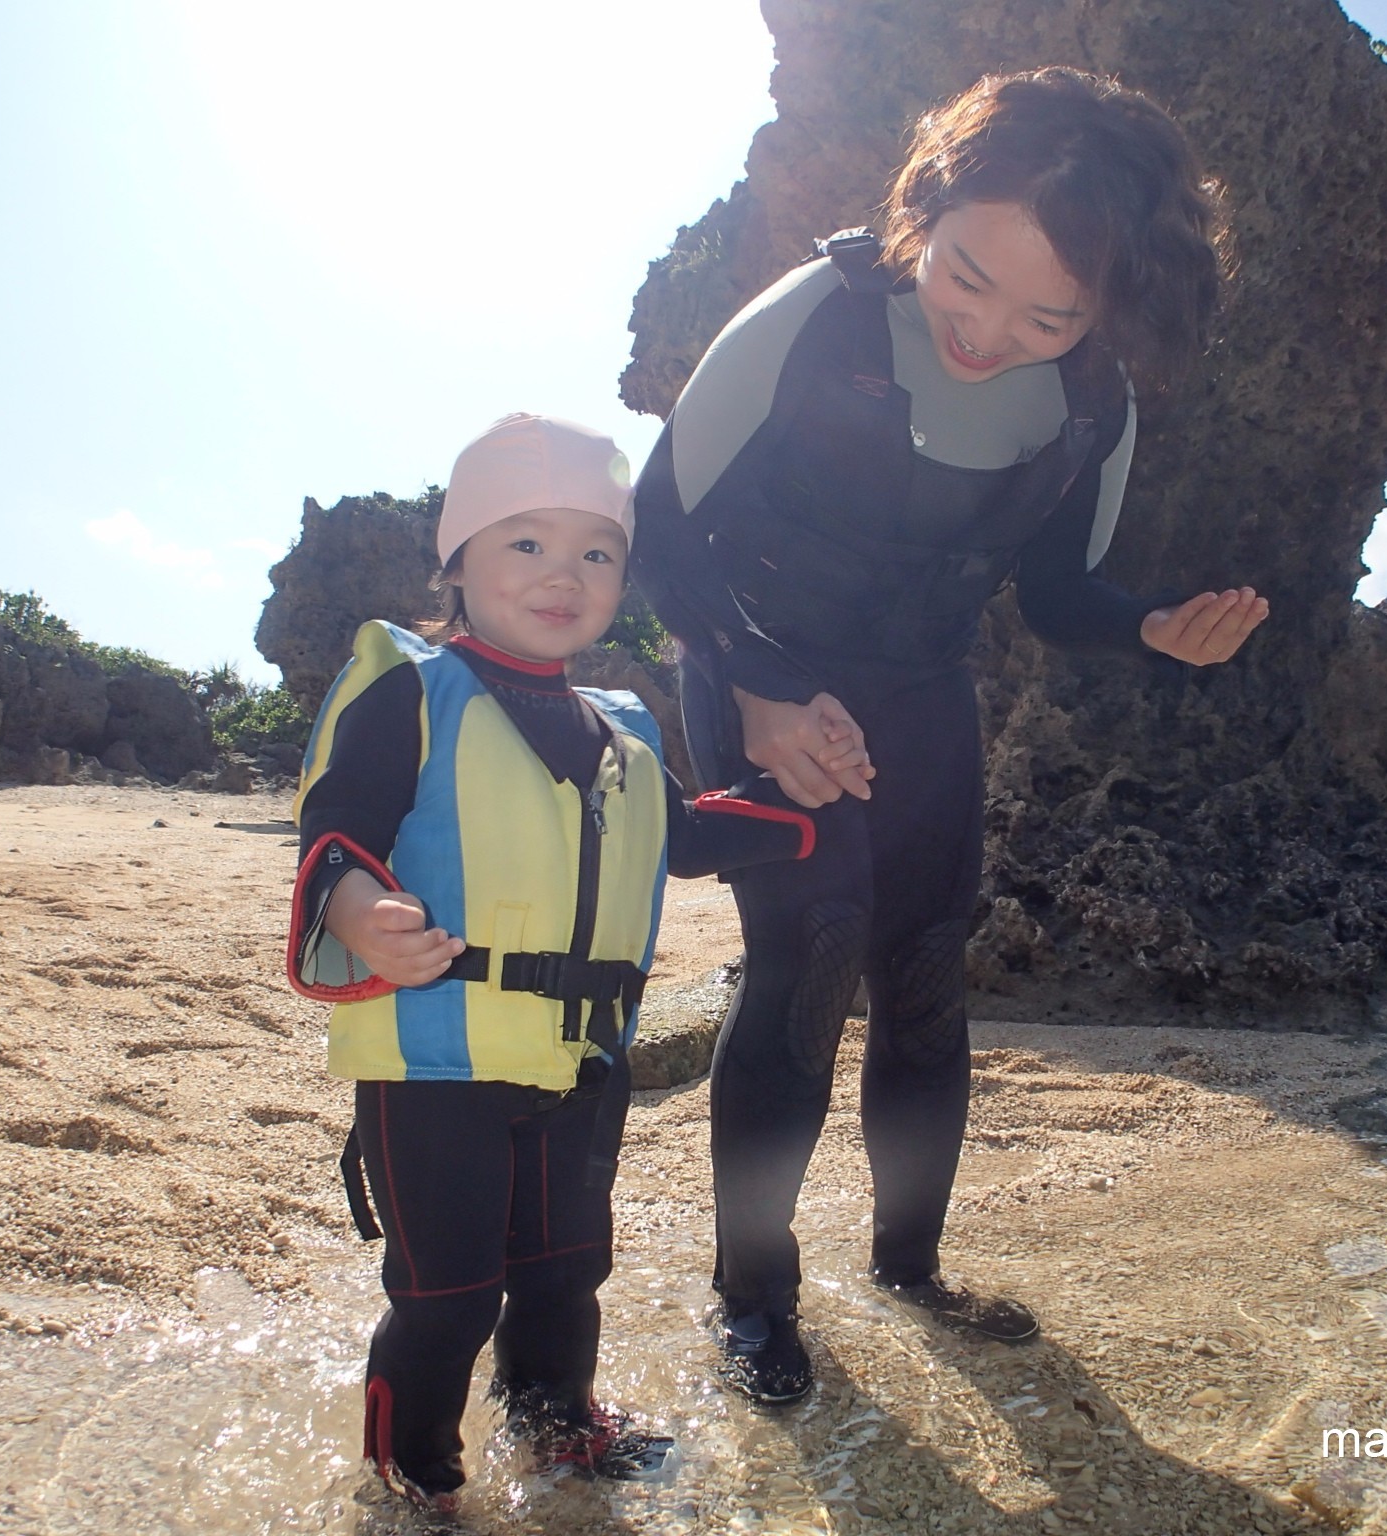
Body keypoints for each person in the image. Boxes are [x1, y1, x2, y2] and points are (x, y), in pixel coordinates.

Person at [630, 67, 1269, 1405]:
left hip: (922, 699)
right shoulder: (815, 316)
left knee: (923, 982)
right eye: (965, 277)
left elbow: (1058, 594)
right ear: (927, 208)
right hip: (761, 666)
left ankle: (910, 1267)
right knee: (806, 961)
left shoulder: (1093, 408)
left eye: (1051, 313)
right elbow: (661, 528)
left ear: (1107, 310)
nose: (988, 332)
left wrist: (1153, 627)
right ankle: (752, 1298)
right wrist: (752, 689)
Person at [285, 413, 814, 1506]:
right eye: (523, 542)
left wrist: (803, 815)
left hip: (579, 1066)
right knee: (447, 1294)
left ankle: (557, 1428)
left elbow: (679, 834)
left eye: (596, 551)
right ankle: (412, 1481)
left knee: (567, 1271)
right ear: (459, 559)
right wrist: (361, 904)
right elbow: (335, 829)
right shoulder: (407, 688)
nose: (561, 574)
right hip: (436, 1066)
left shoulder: (619, 725)